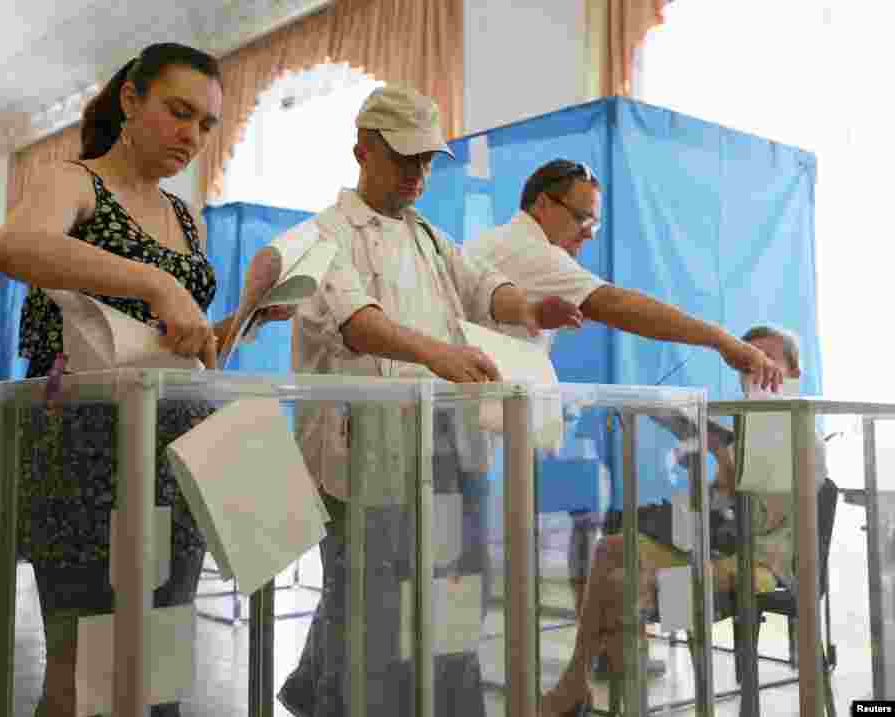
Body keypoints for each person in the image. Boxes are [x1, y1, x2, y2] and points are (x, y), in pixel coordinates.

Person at [0, 43, 290, 717]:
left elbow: (179, 345)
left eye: (207, 125)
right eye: (178, 112)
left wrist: (236, 324)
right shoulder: (75, 182)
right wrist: (156, 282)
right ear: (131, 99)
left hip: (173, 449)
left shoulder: (188, 218)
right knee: (82, 669)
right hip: (83, 446)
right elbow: (15, 246)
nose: (192, 135)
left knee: (156, 656)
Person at [277, 84, 587, 717]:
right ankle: (343, 704)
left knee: (451, 596)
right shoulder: (322, 235)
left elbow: (482, 289)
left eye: (426, 160)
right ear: (363, 149)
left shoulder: (430, 238)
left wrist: (530, 306)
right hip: (363, 452)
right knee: (368, 605)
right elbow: (355, 320)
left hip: (444, 448)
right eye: (405, 158)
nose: (419, 173)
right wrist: (437, 355)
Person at [461, 158, 784, 667]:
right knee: (611, 549)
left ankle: (645, 665)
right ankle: (605, 665)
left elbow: (770, 516)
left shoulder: (793, 428)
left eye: (596, 223)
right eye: (581, 218)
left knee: (650, 563)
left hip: (758, 549)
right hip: (709, 529)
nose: (588, 234)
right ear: (542, 204)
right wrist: (717, 353)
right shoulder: (525, 250)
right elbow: (614, 303)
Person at [539, 325, 823, 716]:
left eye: (768, 358)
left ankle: (596, 689)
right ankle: (579, 679)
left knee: (625, 584)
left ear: (794, 373)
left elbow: (757, 522)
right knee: (610, 548)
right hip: (720, 546)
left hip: (765, 562)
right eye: (748, 359)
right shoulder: (742, 429)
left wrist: (724, 461)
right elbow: (715, 513)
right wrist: (703, 463)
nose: (756, 366)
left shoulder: (800, 430)